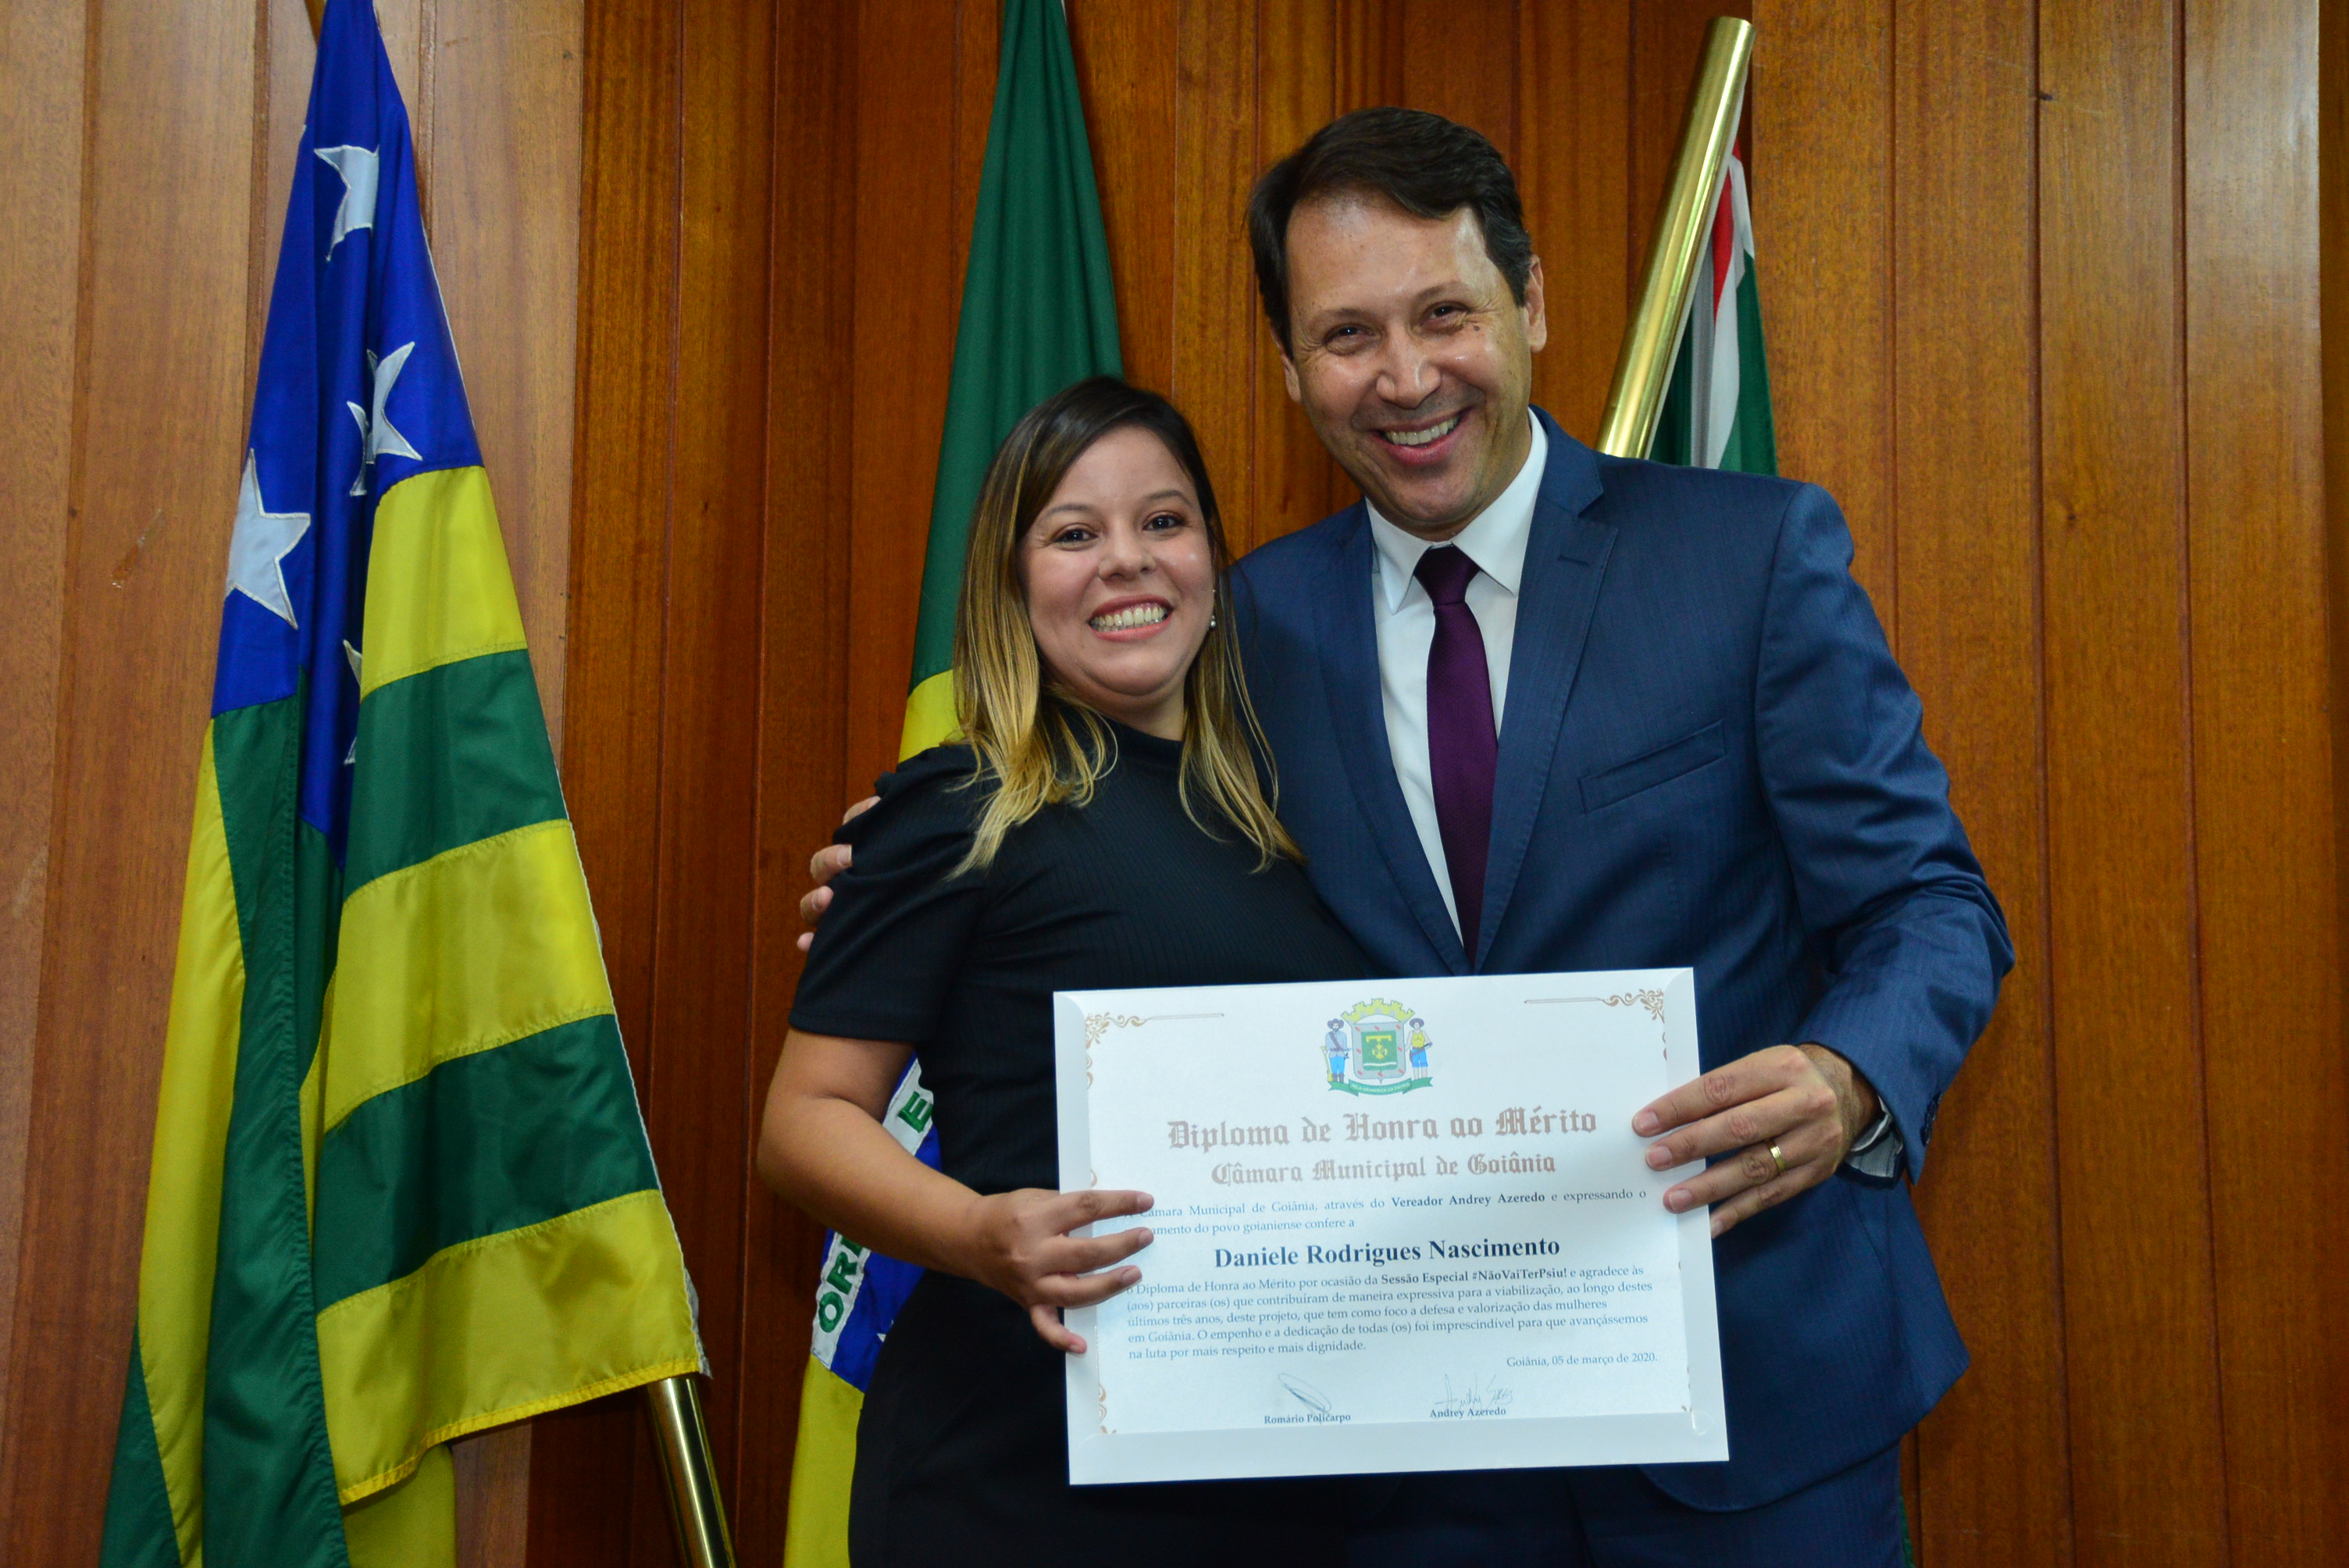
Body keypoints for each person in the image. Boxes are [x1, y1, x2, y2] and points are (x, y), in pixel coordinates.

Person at [807, 110, 2011, 1566]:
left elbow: (1930, 901)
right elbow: (1091, 830)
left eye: (1445, 314)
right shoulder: (1238, 630)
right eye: (1347, 335)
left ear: (1531, 302)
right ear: (1291, 368)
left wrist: (1847, 1074)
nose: (1405, 376)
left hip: (1753, 1401)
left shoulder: (1748, 557)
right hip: (1399, 1454)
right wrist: (897, 874)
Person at [759, 378, 1362, 1566]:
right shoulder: (960, 807)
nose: (1126, 561)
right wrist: (981, 1233)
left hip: (1266, 1470)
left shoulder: (1300, 818)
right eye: (1075, 533)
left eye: (1163, 522)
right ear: (1012, 581)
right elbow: (802, 1124)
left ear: (1211, 559)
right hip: (1014, 1471)